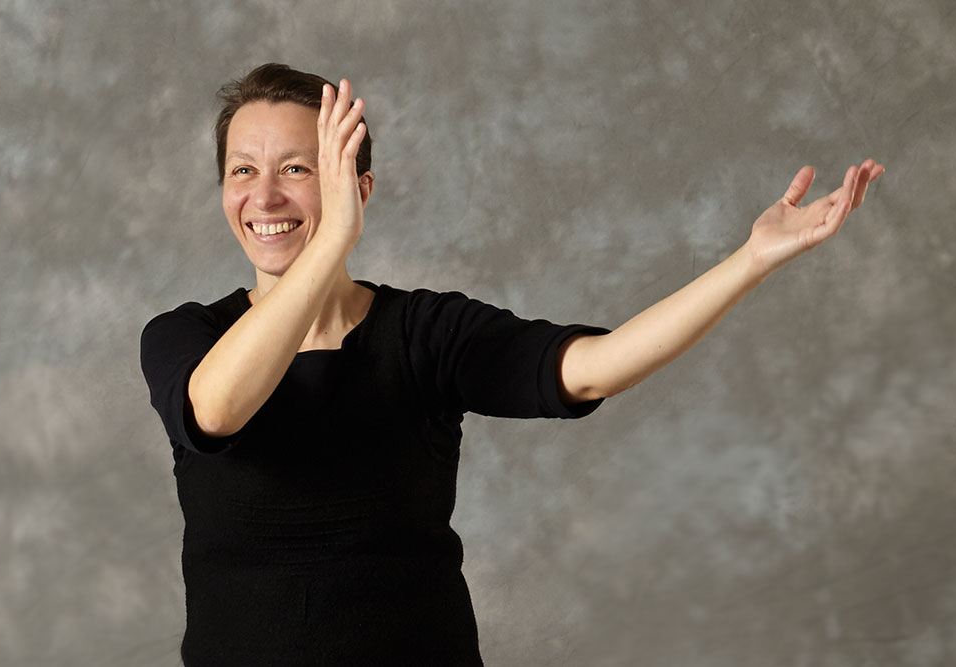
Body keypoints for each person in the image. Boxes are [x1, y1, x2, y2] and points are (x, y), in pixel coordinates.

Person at [139, 63, 883, 666]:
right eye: (242, 170)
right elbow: (218, 411)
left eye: (298, 167)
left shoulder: (425, 333)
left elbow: (594, 366)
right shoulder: (185, 337)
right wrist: (331, 242)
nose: (263, 195)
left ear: (357, 189)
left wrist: (751, 260)